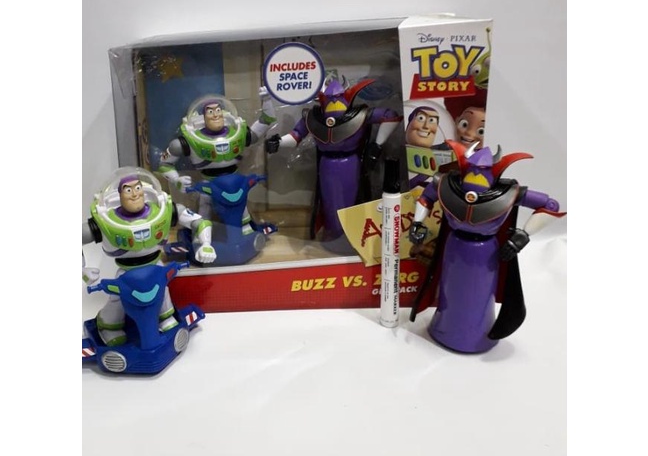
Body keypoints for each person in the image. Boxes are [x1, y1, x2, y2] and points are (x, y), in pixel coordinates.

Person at [408, 141, 564, 353]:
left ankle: (474, 336)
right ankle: (445, 328)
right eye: (472, 169)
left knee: (477, 298)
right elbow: (426, 197)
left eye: (481, 171)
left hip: (485, 253)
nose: (476, 174)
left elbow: (550, 205)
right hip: (454, 247)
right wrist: (417, 223)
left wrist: (522, 236)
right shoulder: (447, 184)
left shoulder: (508, 192)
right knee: (450, 293)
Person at [82, 167, 216, 346]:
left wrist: (206, 244)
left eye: (138, 188)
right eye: (128, 190)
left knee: (163, 290)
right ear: (119, 195)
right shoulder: (105, 221)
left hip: (156, 266)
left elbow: (199, 222)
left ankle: (165, 317)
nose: (134, 194)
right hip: (126, 273)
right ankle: (108, 325)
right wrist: (82, 269)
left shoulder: (164, 210)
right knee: (119, 298)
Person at [265, 77, 402, 251]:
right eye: (330, 98)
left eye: (337, 97)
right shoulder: (314, 117)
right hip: (328, 165)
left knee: (353, 201)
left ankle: (352, 238)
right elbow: (296, 136)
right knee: (330, 203)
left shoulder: (360, 114)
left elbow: (391, 116)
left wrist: (377, 145)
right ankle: (333, 235)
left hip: (351, 164)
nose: (334, 99)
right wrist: (278, 142)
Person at [158, 89, 276, 219]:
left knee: (241, 204)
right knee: (205, 202)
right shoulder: (187, 142)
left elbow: (266, 120)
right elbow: (164, 164)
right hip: (209, 182)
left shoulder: (238, 134)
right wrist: (176, 180)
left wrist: (267, 100)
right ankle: (203, 228)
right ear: (203, 117)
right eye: (210, 112)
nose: (215, 115)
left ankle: (246, 226)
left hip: (235, 180)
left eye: (218, 110)